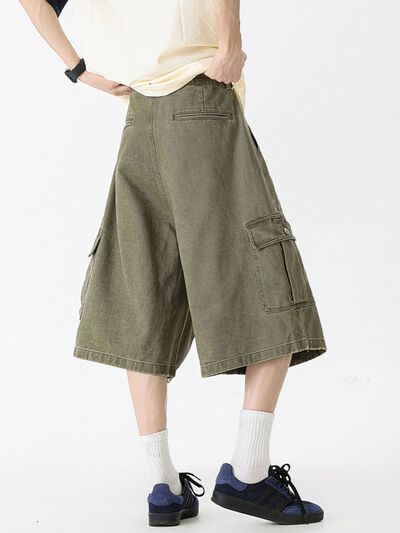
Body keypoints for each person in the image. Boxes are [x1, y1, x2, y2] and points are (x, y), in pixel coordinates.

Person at [20, 0, 328, 527]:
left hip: (140, 114)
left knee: (144, 284)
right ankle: (248, 473)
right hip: (199, 95)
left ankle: (161, 486)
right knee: (264, 278)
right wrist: (230, 44)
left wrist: (77, 69)